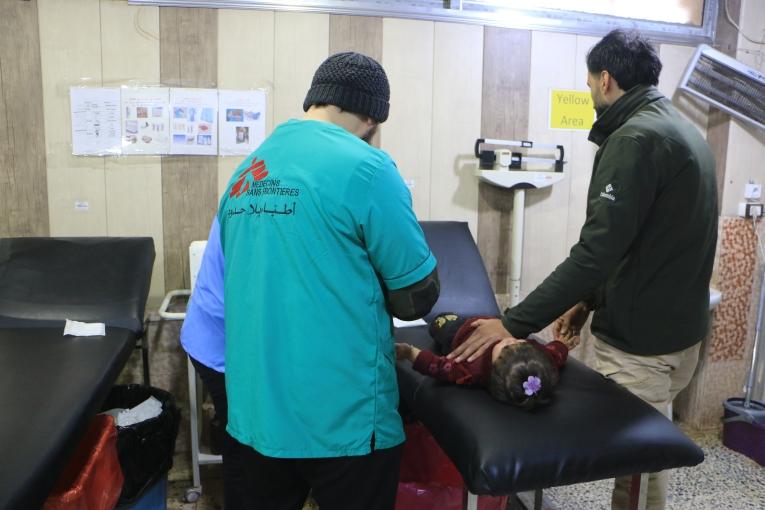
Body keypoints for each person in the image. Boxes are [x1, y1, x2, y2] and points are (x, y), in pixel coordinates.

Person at [449, 30, 717, 510]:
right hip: (682, 338)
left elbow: (595, 253)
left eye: (591, 83)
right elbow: (639, 239)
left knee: (639, 471)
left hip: (642, 345)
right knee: (649, 456)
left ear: (607, 80)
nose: (592, 93)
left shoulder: (633, 138)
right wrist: (587, 301)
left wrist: (511, 323)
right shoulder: (681, 130)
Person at [217, 52, 439, 510]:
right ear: (373, 116)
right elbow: (417, 297)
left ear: (314, 100)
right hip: (343, 419)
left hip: (254, 413)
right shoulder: (368, 168)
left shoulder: (246, 173)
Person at [179, 217, 247, 510]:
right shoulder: (275, 205)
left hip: (213, 335)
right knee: (244, 446)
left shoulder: (249, 183)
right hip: (221, 342)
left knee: (241, 439)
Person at [396, 313, 573, 409]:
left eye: (505, 348)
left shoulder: (472, 367)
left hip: (461, 332)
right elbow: (555, 353)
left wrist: (409, 352)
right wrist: (563, 343)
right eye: (521, 342)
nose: (511, 341)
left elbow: (439, 367)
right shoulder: (540, 358)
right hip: (494, 322)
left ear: (493, 370)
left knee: (439, 321)